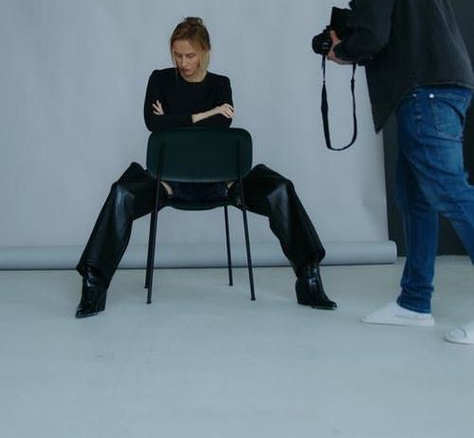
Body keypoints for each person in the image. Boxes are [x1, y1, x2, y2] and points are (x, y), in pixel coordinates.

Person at [76, 16, 336, 318]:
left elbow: (219, 122)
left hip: (220, 183)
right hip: (168, 183)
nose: (182, 62)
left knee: (280, 188)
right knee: (121, 192)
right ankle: (94, 286)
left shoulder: (219, 84)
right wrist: (203, 115)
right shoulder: (160, 79)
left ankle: (309, 279)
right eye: (177, 55)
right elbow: (153, 123)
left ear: (205, 52)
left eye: (190, 55)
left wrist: (176, 119)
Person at [301, 0, 474, 344]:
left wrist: (343, 49)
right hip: (439, 85)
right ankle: (414, 303)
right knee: (415, 199)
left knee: (451, 192)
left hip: (424, 91)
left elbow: (375, 35)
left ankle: (415, 301)